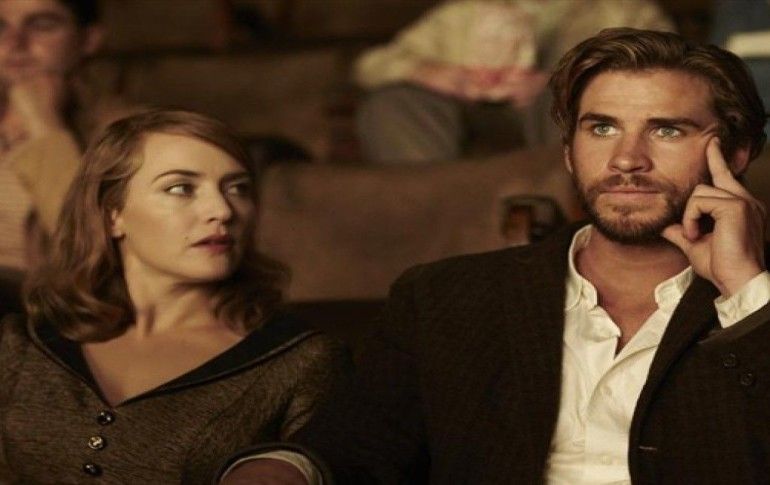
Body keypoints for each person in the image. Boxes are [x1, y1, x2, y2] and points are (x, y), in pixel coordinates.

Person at [220, 28, 770, 484]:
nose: (627, 159)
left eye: (666, 130)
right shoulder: (443, 297)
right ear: (569, 152)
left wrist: (746, 291)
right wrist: (278, 470)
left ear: (737, 153)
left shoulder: (757, 300)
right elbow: (356, 446)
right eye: (601, 128)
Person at [0, 110, 348, 483]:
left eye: (238, 188)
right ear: (113, 214)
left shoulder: (301, 361)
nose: (222, 210)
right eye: (181, 188)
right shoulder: (25, 342)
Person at [354, 0, 674, 164]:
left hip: (556, 121)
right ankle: (433, 206)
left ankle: (564, 206)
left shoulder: (622, 9)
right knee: (392, 104)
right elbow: (372, 65)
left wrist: (562, 80)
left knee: (569, 99)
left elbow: (665, 67)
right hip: (463, 115)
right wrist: (436, 74)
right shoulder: (463, 14)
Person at [0, 0, 138, 270]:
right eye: (0, 27)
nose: (15, 43)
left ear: (89, 39)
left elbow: (99, 254)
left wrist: (44, 128)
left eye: (41, 25)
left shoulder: (129, 135)